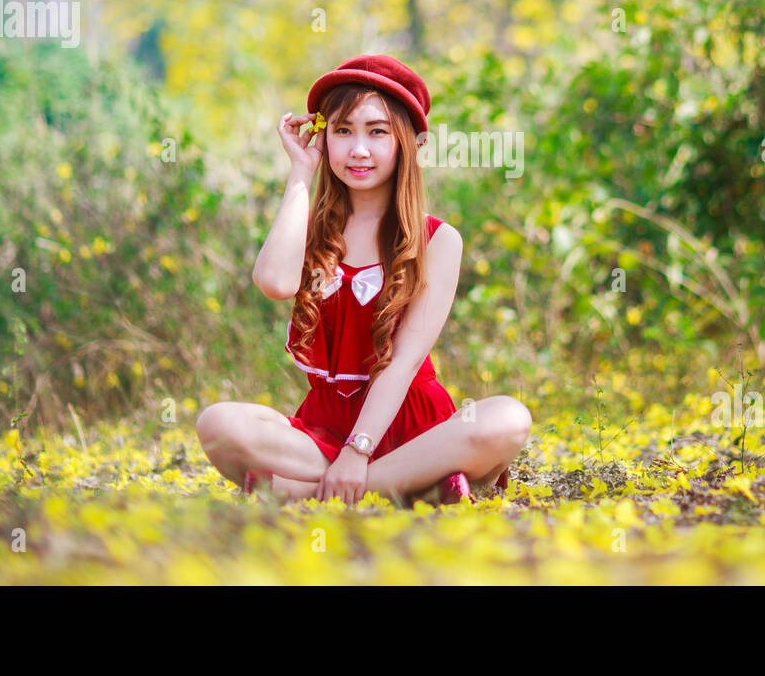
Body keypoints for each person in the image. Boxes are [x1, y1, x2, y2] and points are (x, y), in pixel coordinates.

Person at [196, 54, 532, 506]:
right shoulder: (310, 231)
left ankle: (328, 489)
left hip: (416, 429)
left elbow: (404, 362)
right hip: (325, 430)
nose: (358, 149)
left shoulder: (438, 239)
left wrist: (359, 452)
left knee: (507, 418)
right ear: (324, 138)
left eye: (377, 132)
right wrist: (300, 171)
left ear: (408, 142)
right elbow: (275, 283)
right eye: (343, 130)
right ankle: (417, 486)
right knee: (218, 424)